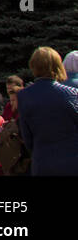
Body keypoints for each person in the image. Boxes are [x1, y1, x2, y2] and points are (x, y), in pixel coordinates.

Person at [16, 46, 78, 176]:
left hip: (42, 162)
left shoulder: (23, 96)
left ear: (33, 66)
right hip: (72, 162)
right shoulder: (72, 94)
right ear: (57, 66)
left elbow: (27, 136)